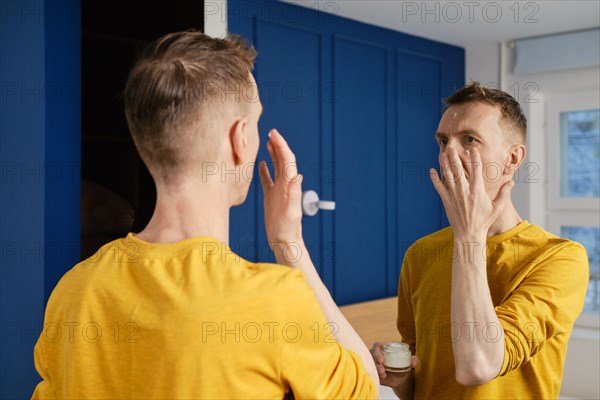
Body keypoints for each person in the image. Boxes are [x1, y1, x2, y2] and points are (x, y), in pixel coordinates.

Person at [32, 31, 378, 399]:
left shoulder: (72, 292)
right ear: (240, 139)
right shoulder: (273, 300)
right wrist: (289, 244)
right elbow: (368, 389)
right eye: (257, 121)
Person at [372, 82, 589, 399]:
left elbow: (478, 367)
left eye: (469, 139)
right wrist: (398, 376)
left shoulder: (559, 258)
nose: (449, 153)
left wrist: (469, 237)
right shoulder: (420, 254)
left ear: (512, 159)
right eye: (443, 141)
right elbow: (418, 386)